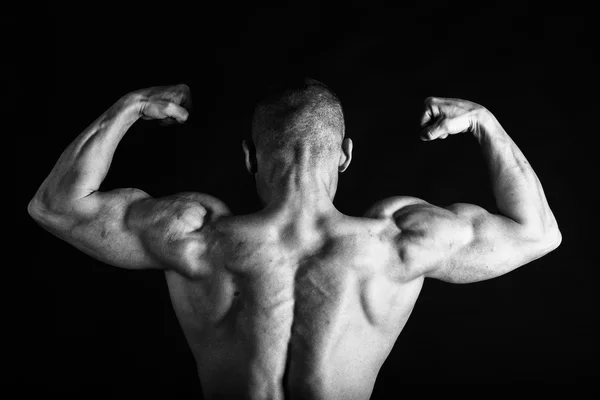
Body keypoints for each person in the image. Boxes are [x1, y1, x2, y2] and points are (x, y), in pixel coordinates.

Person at [28, 78, 561, 399]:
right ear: (346, 154)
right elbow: (537, 233)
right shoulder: (397, 242)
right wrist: (483, 122)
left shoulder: (196, 236)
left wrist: (132, 104)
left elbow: (56, 206)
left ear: (249, 157)